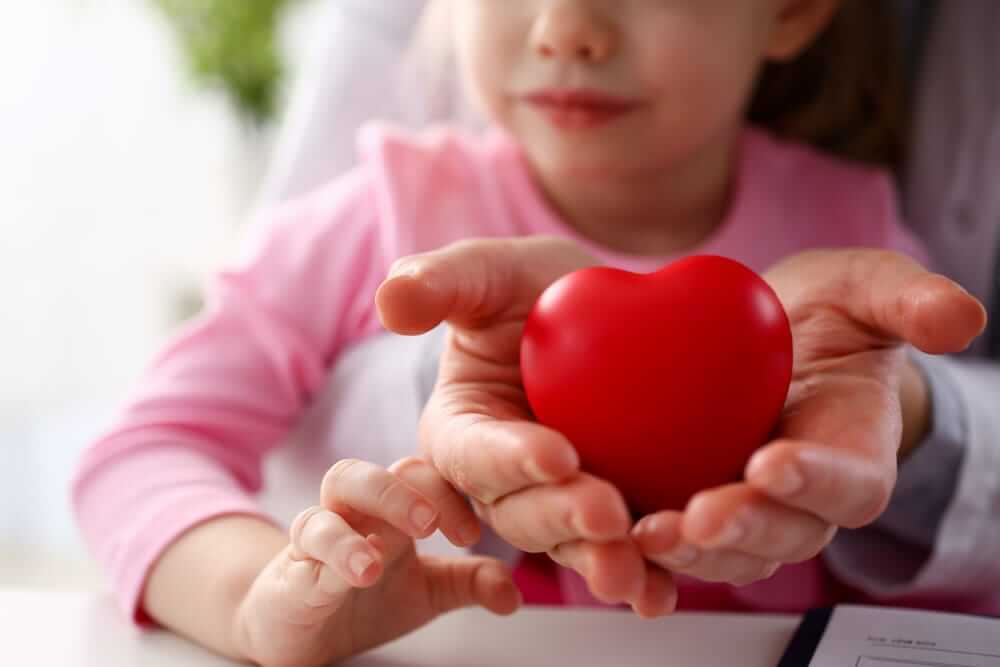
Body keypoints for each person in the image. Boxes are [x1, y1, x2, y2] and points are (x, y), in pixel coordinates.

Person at [70, 2, 991, 666]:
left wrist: (913, 427)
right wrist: (264, 600)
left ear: (792, 12)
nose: (567, 27)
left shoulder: (854, 228)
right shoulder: (376, 216)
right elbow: (141, 451)